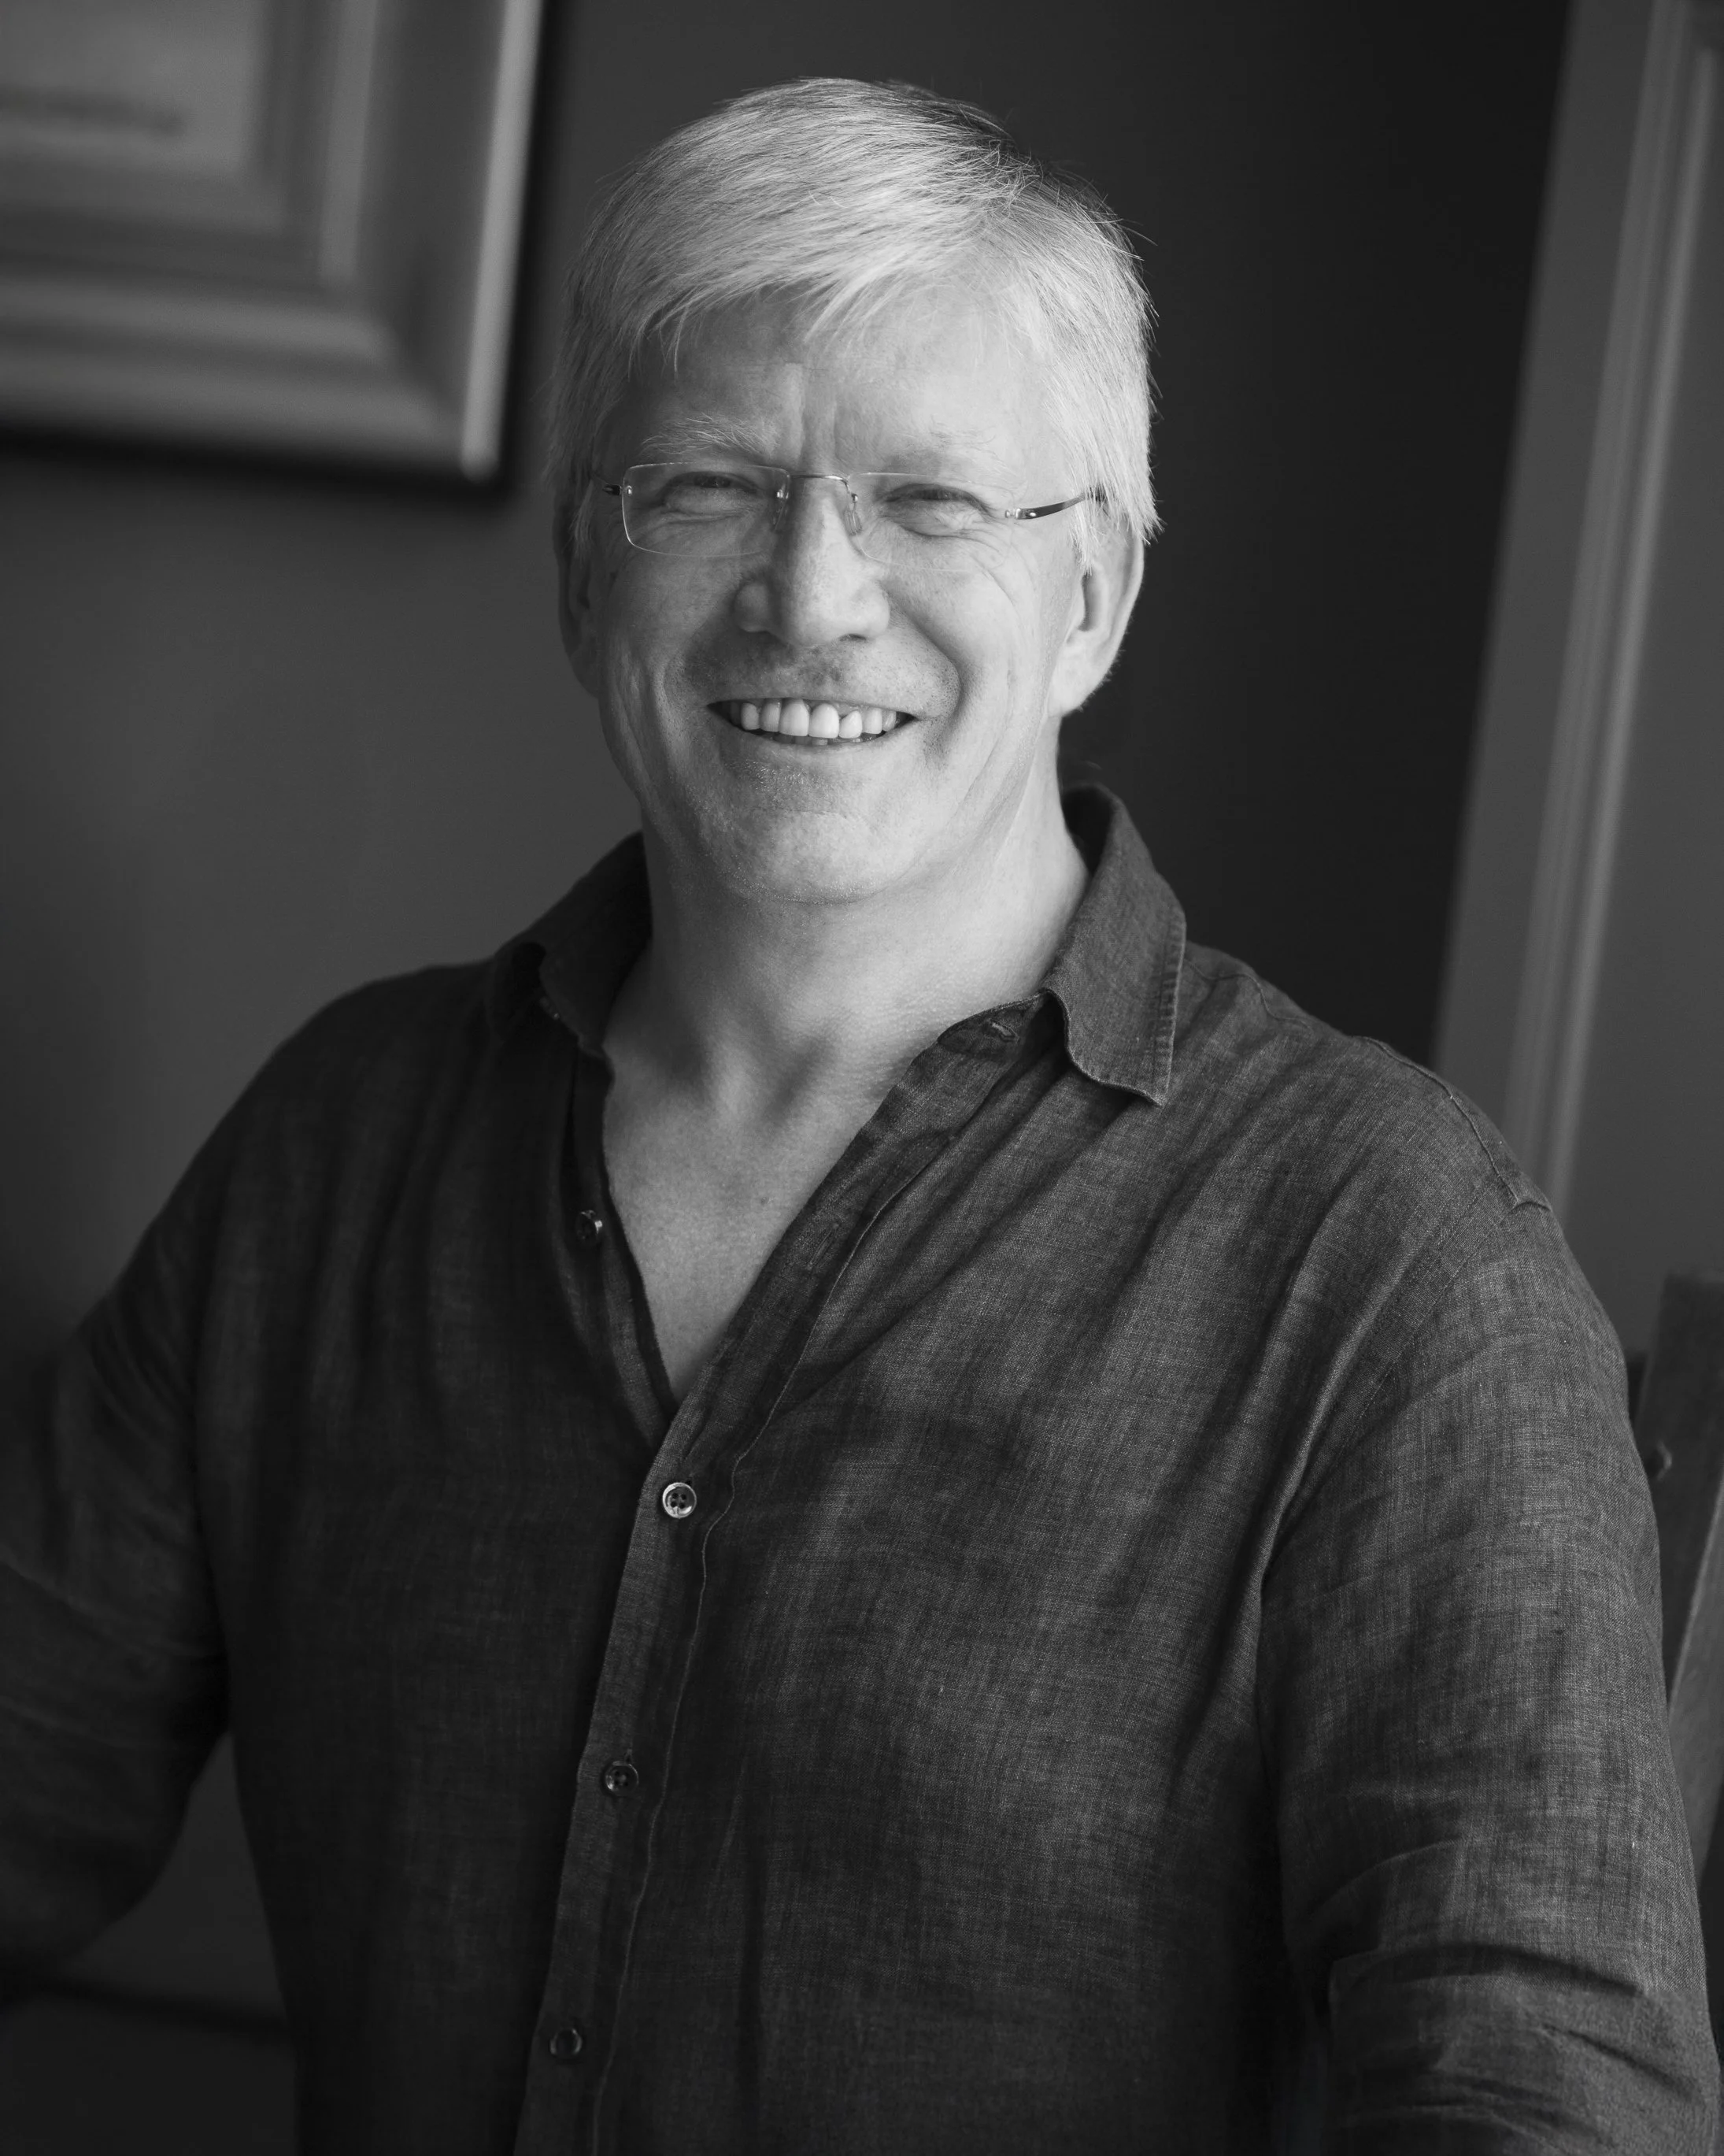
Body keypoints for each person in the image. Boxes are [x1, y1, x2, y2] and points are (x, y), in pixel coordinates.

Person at [0, 75, 1714, 2155]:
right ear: (580, 577)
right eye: (710, 485)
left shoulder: (1390, 1261)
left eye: (928, 502)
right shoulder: (339, 1150)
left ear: (1092, 595)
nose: (809, 597)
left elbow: (1544, 2095)